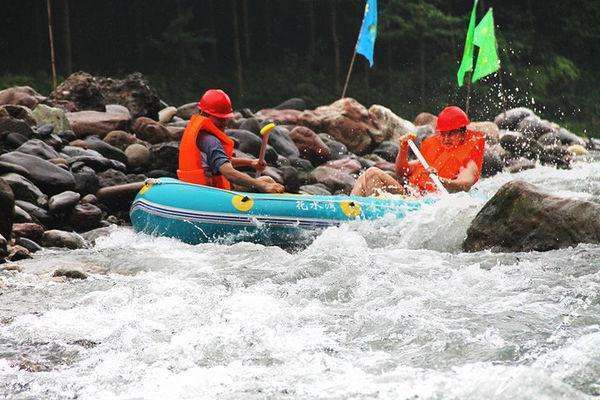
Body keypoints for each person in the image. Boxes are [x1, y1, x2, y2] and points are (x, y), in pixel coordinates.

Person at [351, 106, 485, 197]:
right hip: (412, 197)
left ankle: (364, 215)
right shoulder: (438, 150)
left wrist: (441, 180)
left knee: (373, 173)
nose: (445, 139)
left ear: (462, 132)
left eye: (451, 134)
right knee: (368, 174)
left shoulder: (470, 157)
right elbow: (402, 172)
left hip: (427, 206)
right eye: (443, 134)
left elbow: (464, 184)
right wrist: (403, 149)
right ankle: (352, 206)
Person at [178, 89, 284, 193]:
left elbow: (221, 161)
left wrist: (250, 162)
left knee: (265, 180)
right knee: (266, 181)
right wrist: (261, 185)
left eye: (225, 118)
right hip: (209, 194)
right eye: (219, 118)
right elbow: (229, 173)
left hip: (195, 189)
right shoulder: (211, 141)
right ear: (204, 114)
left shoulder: (199, 134)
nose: (224, 122)